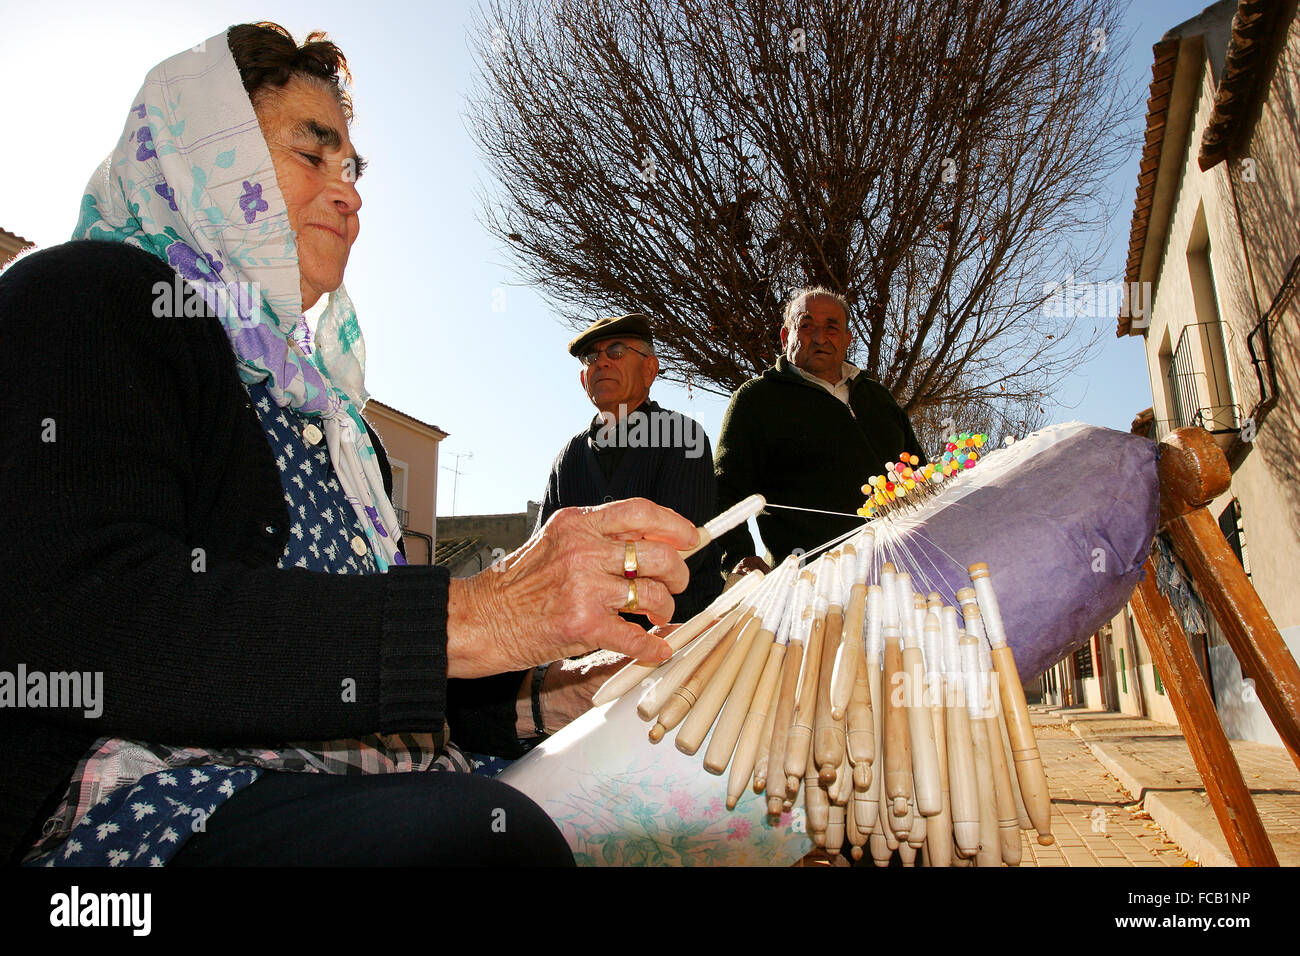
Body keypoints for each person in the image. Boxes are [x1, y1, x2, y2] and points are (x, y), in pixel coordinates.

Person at [0, 23, 695, 867]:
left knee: (676, 808)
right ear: (208, 153)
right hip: (152, 803)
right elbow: (83, 622)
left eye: (352, 168)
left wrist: (541, 700)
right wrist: (479, 613)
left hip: (352, 778)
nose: (350, 194)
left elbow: (347, 675)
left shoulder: (330, 413)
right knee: (469, 844)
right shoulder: (88, 297)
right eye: (311, 153)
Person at [447, 313, 722, 760]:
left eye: (616, 352)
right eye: (592, 358)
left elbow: (678, 557)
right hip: (574, 674)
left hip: (669, 654)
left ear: (650, 369)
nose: (601, 364)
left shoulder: (683, 437)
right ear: (581, 379)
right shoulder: (568, 457)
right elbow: (541, 561)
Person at [713, 286, 926, 573]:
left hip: (905, 566)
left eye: (832, 327)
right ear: (785, 336)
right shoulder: (756, 399)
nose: (820, 337)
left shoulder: (878, 397)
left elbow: (918, 472)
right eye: (806, 325)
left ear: (848, 339)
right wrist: (739, 558)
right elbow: (724, 490)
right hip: (811, 583)